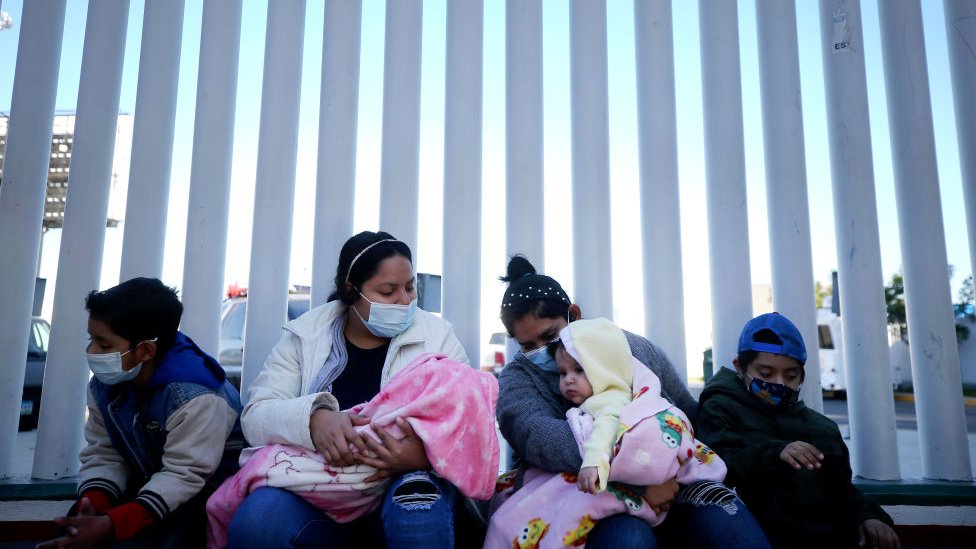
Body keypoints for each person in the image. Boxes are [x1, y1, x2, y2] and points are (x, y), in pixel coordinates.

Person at [495, 255, 770, 548]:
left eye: (549, 336)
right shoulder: (517, 380)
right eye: (528, 345)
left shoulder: (624, 346)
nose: (542, 351)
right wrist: (643, 481)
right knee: (629, 538)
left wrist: (671, 472)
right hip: (582, 492)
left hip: (673, 482)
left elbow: (684, 411)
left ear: (573, 314)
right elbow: (545, 441)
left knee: (725, 515)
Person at [225, 231, 478, 548]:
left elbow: (471, 419)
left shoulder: (438, 337)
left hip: (400, 484)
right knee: (258, 523)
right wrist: (313, 420)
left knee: (418, 507)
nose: (405, 300)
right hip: (316, 491)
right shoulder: (305, 337)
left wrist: (423, 457)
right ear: (351, 290)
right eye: (388, 291)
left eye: (410, 287)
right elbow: (256, 415)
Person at [38, 277, 245, 549]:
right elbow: (104, 453)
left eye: (104, 345)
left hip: (204, 496)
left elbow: (185, 475)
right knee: (75, 528)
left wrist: (112, 525)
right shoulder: (106, 384)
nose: (92, 352)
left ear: (146, 350)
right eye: (91, 340)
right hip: (153, 486)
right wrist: (94, 505)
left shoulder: (197, 396)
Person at [485, 318, 727, 548]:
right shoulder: (518, 377)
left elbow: (607, 431)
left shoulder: (612, 387)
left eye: (579, 370)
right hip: (638, 490)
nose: (569, 380)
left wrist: (596, 464)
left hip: (660, 481)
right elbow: (542, 439)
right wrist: (643, 486)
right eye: (563, 373)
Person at [695, 312, 900, 549]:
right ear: (740, 367)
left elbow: (841, 490)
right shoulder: (719, 409)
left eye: (791, 376)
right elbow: (715, 465)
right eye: (766, 374)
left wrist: (868, 516)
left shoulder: (822, 429)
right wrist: (774, 453)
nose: (779, 383)